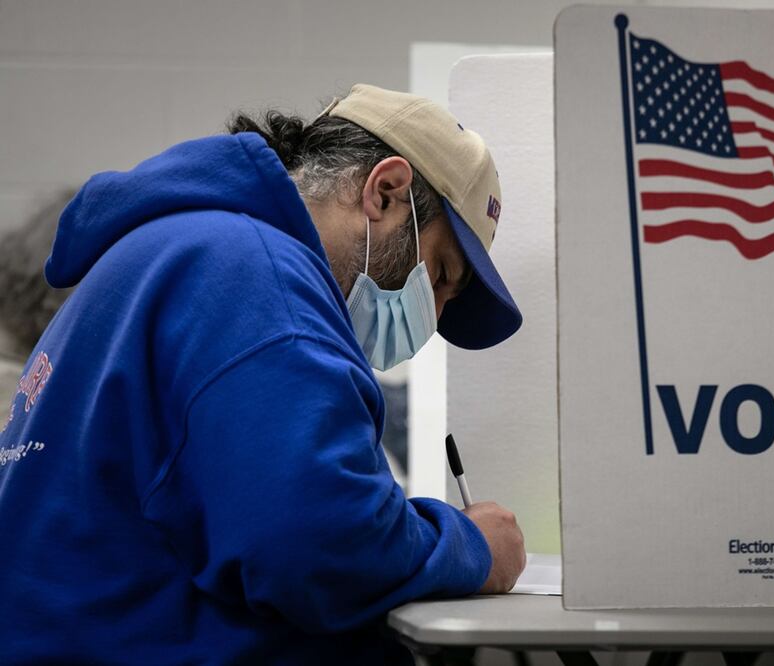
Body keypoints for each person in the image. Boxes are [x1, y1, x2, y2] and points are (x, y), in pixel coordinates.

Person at [0, 84, 526, 664]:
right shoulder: (259, 280)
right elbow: (317, 546)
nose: (434, 314)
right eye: (442, 274)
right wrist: (473, 547)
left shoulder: (180, 248)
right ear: (386, 192)